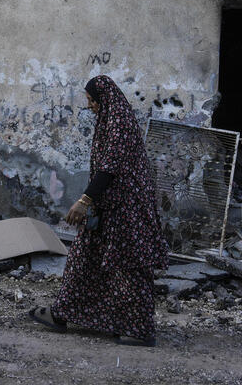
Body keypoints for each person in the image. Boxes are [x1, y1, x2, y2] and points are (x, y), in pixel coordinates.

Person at [29, 75, 169, 346]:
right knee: (85, 258)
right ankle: (63, 313)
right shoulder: (110, 119)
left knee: (129, 267)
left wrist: (84, 201)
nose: (91, 106)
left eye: (93, 101)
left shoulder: (119, 122)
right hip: (110, 206)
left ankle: (139, 330)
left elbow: (110, 166)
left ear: (105, 100)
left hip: (126, 210)